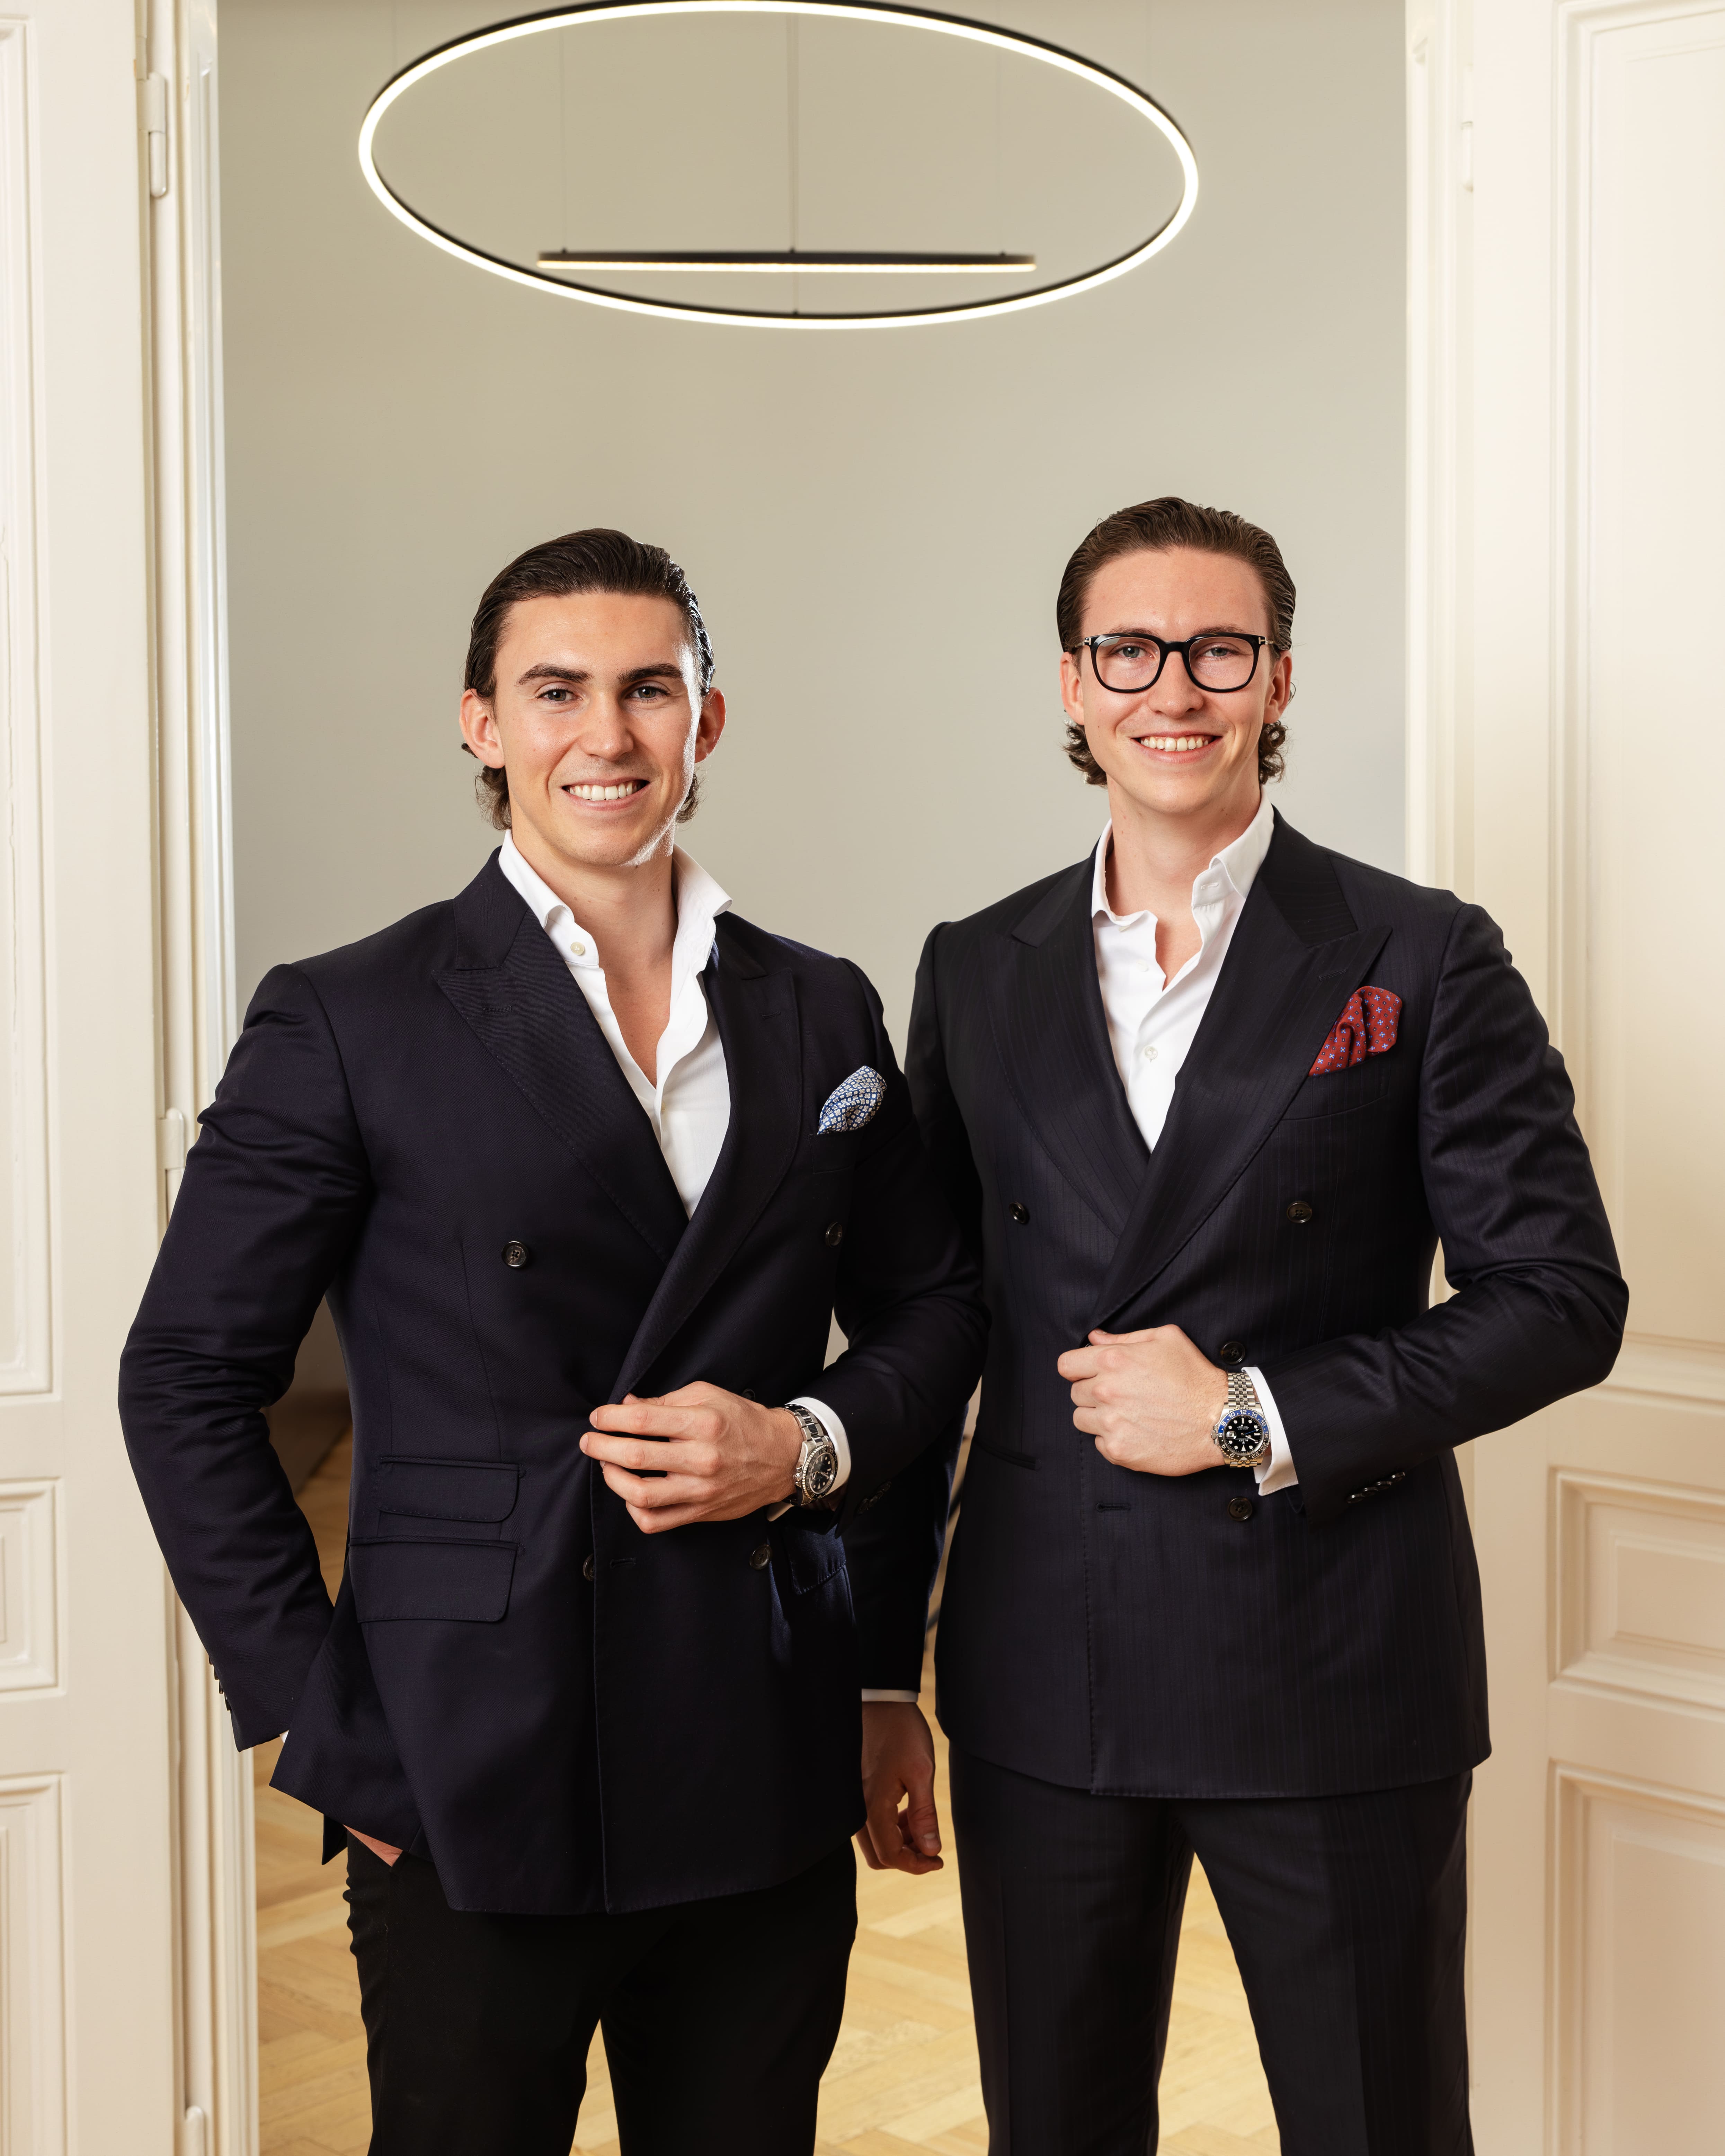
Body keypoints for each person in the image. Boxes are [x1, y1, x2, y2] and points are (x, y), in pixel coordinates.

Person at [119, 529, 986, 2156]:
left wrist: (804, 1444)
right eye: (557, 690)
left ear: (705, 721)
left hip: (757, 1738)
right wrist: (320, 1722)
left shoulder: (822, 1007)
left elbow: (936, 1308)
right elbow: (183, 1376)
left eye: (649, 689)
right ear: (482, 722)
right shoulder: (350, 1014)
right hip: (465, 1759)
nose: (607, 733)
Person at [845, 497, 1626, 2154]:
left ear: (1278, 680)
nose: (1173, 690)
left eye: (1218, 650)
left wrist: (1247, 1413)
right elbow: (934, 1324)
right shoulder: (975, 967)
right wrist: (874, 1671)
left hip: (1332, 1661)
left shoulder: (1421, 953)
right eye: (1128, 651)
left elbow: (1561, 1301)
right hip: (1042, 1667)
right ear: (1073, 685)